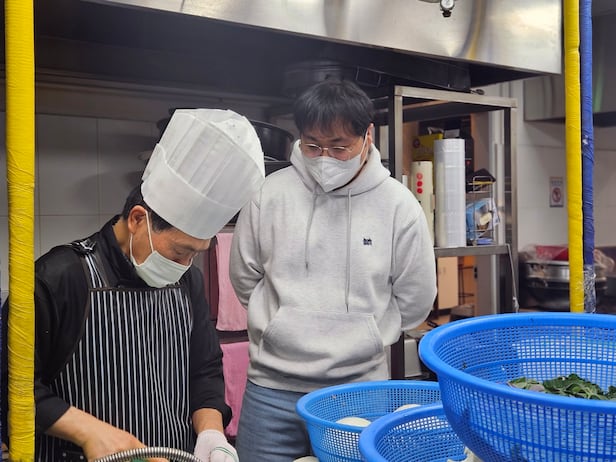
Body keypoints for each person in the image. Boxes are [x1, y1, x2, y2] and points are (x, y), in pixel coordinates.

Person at [1, 109, 265, 461]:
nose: (186, 265)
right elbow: (11, 387)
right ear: (139, 219)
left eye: (197, 253)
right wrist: (89, 431)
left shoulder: (188, 281)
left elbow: (204, 371)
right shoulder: (59, 278)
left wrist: (211, 434)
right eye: (181, 251)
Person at [229, 78, 438, 461]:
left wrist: (368, 334)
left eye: (340, 146)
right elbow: (245, 276)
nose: (325, 158)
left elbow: (416, 298)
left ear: (368, 136)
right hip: (271, 389)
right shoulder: (269, 194)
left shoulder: (398, 205)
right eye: (313, 145)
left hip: (358, 391)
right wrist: (280, 322)